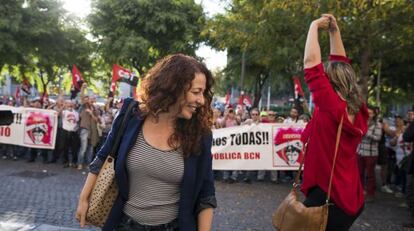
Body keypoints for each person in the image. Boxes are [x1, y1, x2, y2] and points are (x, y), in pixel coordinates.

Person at [76, 54, 216, 231]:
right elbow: (103, 157)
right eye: (196, 92)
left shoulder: (200, 134)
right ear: (174, 88)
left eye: (203, 93)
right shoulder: (131, 115)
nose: (201, 100)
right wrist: (84, 199)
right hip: (123, 225)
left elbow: (206, 193)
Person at [300, 14, 368, 231]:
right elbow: (342, 63)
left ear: (330, 82)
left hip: (327, 194)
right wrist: (333, 30)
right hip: (348, 195)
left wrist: (313, 26)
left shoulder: (331, 106)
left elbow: (311, 63)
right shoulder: (359, 109)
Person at [357, 105, 383, 202]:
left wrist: (366, 133)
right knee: (359, 173)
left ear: (374, 114)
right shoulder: (361, 122)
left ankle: (370, 194)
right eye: (367, 113)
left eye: (371, 113)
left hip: (371, 153)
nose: (369, 115)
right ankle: (359, 193)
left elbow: (378, 138)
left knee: (370, 175)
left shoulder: (377, 124)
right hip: (360, 151)